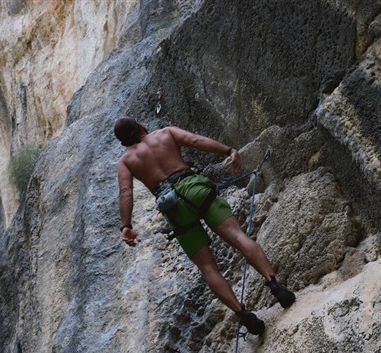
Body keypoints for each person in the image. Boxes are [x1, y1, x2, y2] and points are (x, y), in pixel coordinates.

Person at [114, 117, 295, 335]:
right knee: (238, 237)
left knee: (208, 267)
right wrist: (228, 151)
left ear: (123, 143)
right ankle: (276, 286)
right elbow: (196, 141)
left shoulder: (125, 161)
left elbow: (126, 192)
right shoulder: (165, 133)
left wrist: (126, 225)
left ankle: (243, 314)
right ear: (141, 127)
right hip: (194, 188)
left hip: (172, 206)